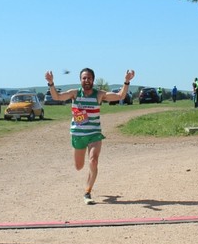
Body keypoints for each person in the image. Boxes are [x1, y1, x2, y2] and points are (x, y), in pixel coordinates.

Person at [45, 67, 135, 205]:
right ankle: (90, 183)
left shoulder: (99, 95)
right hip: (78, 135)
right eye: (84, 78)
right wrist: (51, 83)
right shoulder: (74, 94)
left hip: (94, 134)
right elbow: (57, 97)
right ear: (80, 80)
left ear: (93, 80)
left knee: (93, 160)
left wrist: (126, 81)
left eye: (89, 78)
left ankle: (87, 192)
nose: (87, 80)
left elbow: (120, 96)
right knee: (79, 166)